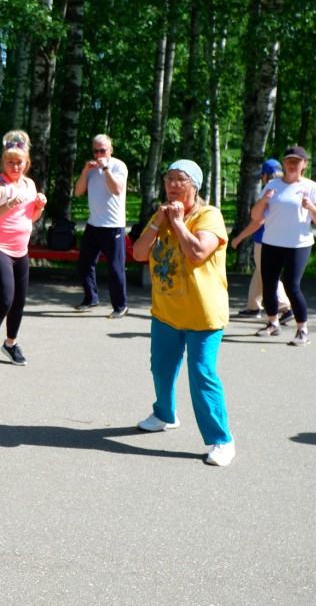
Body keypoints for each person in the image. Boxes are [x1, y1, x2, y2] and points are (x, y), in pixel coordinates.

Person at [131, 159, 235, 467]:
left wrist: (176, 223)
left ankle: (222, 440)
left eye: (180, 180)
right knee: (161, 368)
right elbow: (138, 253)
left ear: (195, 186)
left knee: (202, 373)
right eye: (169, 179)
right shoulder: (161, 214)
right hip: (166, 310)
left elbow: (197, 253)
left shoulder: (209, 216)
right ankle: (165, 414)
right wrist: (157, 223)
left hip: (203, 314)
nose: (173, 185)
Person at [0, 131, 47, 375]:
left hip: (20, 251)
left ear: (27, 163)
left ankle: (10, 343)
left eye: (19, 162)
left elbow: (31, 219)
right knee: (4, 300)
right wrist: (10, 203)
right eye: (10, 162)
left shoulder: (29, 184)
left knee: (19, 302)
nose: (15, 166)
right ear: (3, 162)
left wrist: (39, 207)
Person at [251, 146, 316, 346]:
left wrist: (310, 206)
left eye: (296, 161)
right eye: (289, 161)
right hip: (272, 242)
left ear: (304, 164)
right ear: (283, 163)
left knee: (292, 286)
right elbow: (256, 216)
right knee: (269, 285)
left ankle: (302, 330)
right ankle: (273, 323)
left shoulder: (311, 187)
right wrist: (265, 200)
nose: (292, 165)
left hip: (298, 245)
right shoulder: (272, 185)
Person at [73, 134, 128, 318]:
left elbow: (117, 189)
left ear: (111, 149)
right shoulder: (91, 168)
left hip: (113, 226)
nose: (99, 155)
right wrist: (84, 171)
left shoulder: (118, 166)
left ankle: (120, 306)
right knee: (84, 264)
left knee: (114, 268)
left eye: (102, 151)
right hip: (93, 224)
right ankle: (91, 298)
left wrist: (105, 168)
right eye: (95, 151)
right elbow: (78, 191)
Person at [229, 159, 291, 321]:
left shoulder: (270, 190)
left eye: (262, 176)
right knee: (261, 273)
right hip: (278, 239)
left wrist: (239, 238)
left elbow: (259, 221)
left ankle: (286, 309)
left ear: (265, 175)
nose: (262, 179)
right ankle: (253, 307)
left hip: (264, 241)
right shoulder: (285, 189)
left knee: (269, 275)